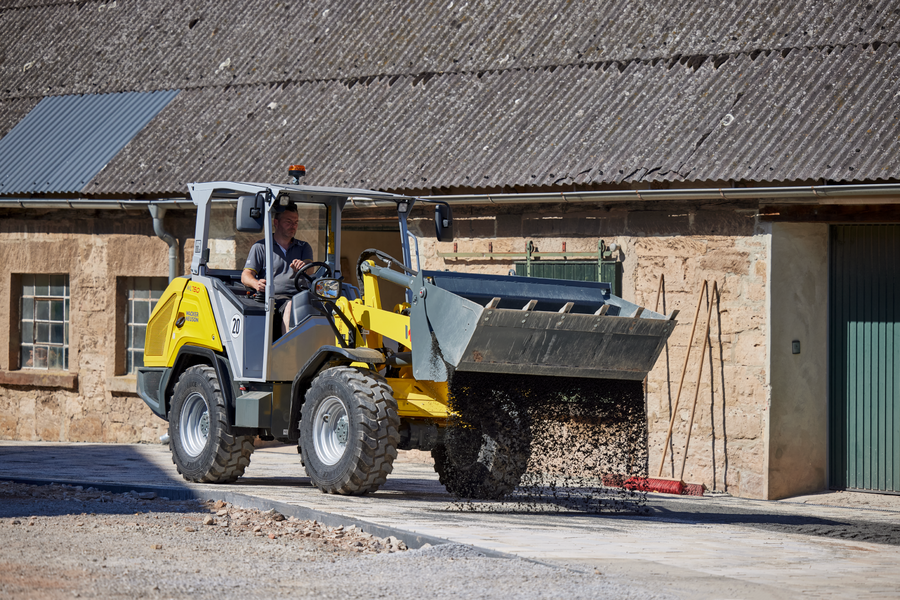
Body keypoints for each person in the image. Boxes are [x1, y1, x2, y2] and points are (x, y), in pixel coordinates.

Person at [241, 204, 313, 334]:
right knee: (291, 305)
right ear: (276, 222)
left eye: (296, 222)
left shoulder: (303, 247)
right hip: (274, 298)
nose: (293, 226)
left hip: (302, 295)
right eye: (288, 222)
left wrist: (303, 266)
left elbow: (310, 269)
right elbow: (246, 275)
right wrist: (256, 284)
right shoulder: (261, 247)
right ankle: (288, 346)